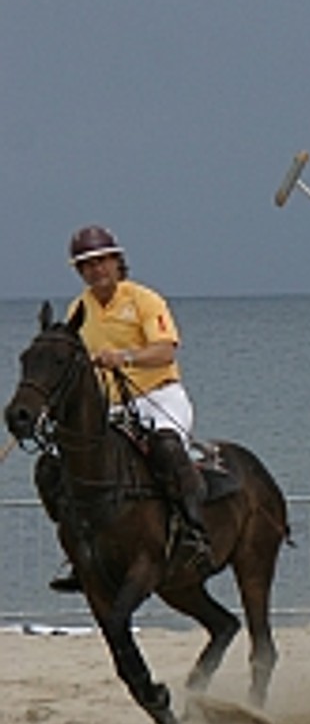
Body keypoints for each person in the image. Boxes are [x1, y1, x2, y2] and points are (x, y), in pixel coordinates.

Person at [41, 225, 210, 591]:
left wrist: (126, 356)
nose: (96, 270)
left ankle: (195, 533)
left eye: (102, 261)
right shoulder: (78, 309)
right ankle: (78, 550)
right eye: (87, 265)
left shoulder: (144, 300)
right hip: (110, 408)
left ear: (117, 262)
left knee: (166, 449)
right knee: (53, 467)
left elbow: (165, 350)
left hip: (157, 397)